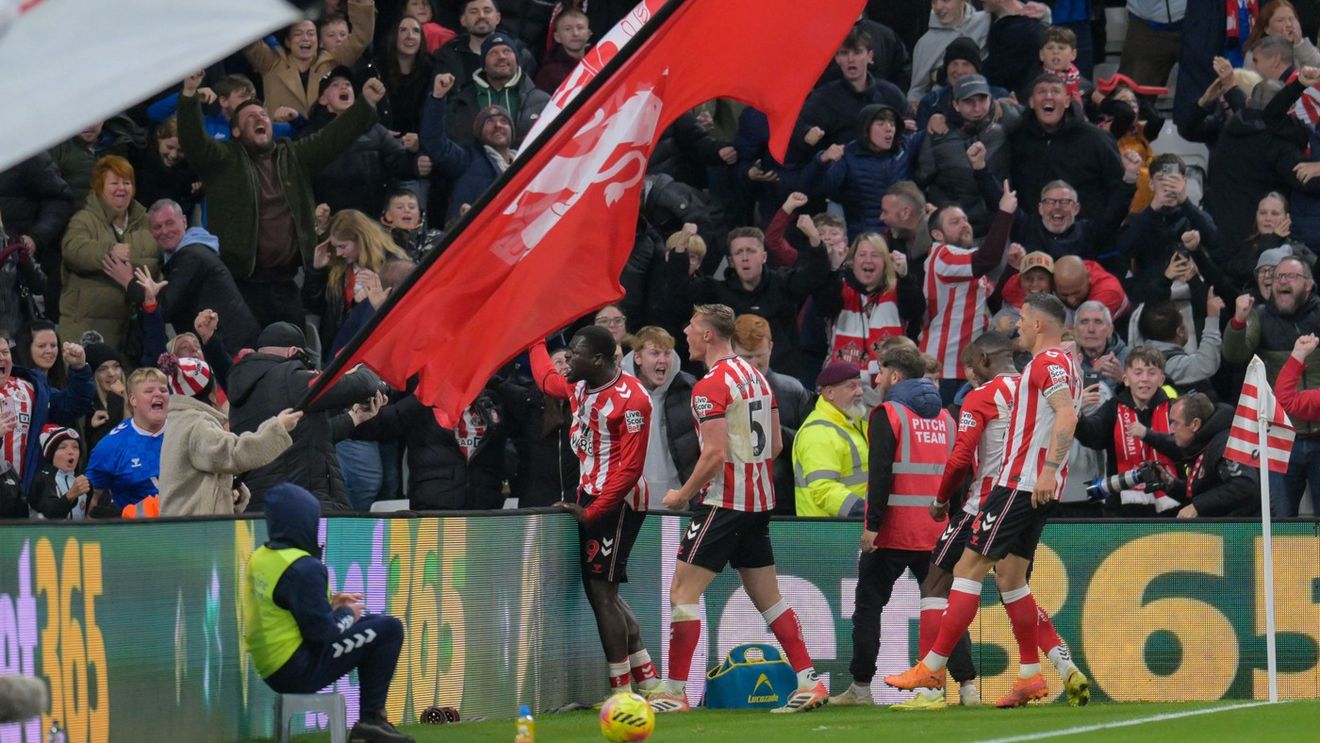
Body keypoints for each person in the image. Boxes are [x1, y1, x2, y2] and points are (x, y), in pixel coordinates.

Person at [886, 293, 1079, 708]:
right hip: (1038, 488)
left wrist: (1046, 469)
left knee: (966, 567)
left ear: (1040, 325)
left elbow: (1065, 414)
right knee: (1012, 581)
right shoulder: (1062, 365)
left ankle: (934, 668)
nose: (1018, 327)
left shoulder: (1044, 365)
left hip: (1016, 484)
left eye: (1023, 320)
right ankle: (1034, 672)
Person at [647, 304, 828, 715]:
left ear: (708, 335)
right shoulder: (758, 379)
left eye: (691, 327)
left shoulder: (710, 386)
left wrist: (682, 494)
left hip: (723, 503)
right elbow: (778, 447)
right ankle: (808, 680)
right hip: (759, 502)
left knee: (682, 593)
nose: (686, 333)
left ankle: (674, 692)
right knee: (769, 598)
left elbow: (713, 453)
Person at [177, 70, 387, 329]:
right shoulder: (223, 160)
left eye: (263, 115)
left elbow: (334, 137)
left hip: (287, 284)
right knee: (249, 355)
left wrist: (365, 102)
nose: (259, 118)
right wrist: (188, 95)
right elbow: (193, 142)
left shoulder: (293, 156)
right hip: (242, 285)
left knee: (296, 358)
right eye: (250, 117)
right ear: (235, 131)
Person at [527, 325, 661, 697]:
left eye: (576, 354)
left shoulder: (634, 400)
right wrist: (532, 338)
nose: (567, 359)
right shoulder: (581, 385)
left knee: (602, 593)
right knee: (605, 592)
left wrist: (594, 511)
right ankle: (648, 681)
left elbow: (630, 469)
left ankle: (621, 692)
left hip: (617, 500)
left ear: (599, 360)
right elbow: (549, 381)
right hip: (592, 495)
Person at [829, 347, 962, 707]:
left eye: (882, 372)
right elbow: (959, 472)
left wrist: (872, 526)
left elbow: (881, 473)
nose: (877, 379)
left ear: (896, 377)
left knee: (869, 608)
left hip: (892, 531)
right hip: (936, 532)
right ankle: (967, 689)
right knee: (945, 609)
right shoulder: (948, 418)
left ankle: (861, 689)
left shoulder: (888, 414)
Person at [244, 482, 412, 743]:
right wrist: (345, 613)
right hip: (297, 668)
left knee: (377, 622)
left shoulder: (262, 557)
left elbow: (285, 608)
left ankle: (372, 721)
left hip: (271, 666)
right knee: (389, 629)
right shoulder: (303, 567)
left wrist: (331, 606)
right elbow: (324, 634)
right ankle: (370, 720)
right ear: (303, 522)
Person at [227, 322, 384, 512]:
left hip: (259, 507)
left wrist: (354, 418)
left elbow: (301, 439)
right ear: (293, 351)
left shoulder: (241, 392)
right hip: (303, 503)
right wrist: (362, 366)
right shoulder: (289, 376)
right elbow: (362, 386)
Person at [1223, 256, 1320, 515]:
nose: (1282, 281)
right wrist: (1238, 322)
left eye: (1291, 276)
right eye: (1279, 277)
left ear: (1308, 285)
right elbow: (1234, 355)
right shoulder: (1261, 316)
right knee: (1280, 520)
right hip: (1280, 438)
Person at [157, 355, 301, 516]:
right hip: (197, 534)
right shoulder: (197, 425)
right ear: (211, 392)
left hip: (183, 530)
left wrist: (227, 491)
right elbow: (235, 453)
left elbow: (199, 479)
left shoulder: (178, 422)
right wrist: (278, 428)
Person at [113, 199, 262, 352]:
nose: (164, 231)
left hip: (235, 350)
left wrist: (129, 282)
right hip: (225, 346)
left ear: (184, 221)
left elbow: (165, 307)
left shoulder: (192, 255)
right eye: (157, 227)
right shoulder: (184, 255)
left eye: (170, 223)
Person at [920, 185, 1015, 401]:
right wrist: (1005, 213)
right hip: (942, 371)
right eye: (955, 222)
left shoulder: (966, 265)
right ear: (937, 234)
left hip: (968, 371)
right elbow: (987, 258)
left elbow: (992, 302)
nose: (965, 225)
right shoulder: (943, 255)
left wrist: (1011, 268)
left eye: (965, 220)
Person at [59, 155, 160, 350]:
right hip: (86, 325)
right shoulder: (84, 219)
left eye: (127, 182)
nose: (121, 188)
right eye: (114, 183)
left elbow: (156, 262)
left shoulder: (146, 221)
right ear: (99, 187)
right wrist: (109, 250)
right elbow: (72, 249)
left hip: (132, 327)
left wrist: (130, 273)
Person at [301, 66, 427, 218]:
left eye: (348, 84)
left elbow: (401, 165)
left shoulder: (375, 130)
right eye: (335, 85)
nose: (343, 86)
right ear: (323, 99)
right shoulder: (310, 135)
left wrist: (414, 157)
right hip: (330, 219)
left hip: (370, 219)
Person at [814, 232, 923, 402]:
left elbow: (915, 310)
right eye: (862, 255)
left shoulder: (899, 289)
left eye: (875, 255)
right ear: (852, 260)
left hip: (889, 387)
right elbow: (822, 307)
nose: (868, 260)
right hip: (841, 386)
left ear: (886, 262)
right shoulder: (839, 287)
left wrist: (906, 278)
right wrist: (833, 271)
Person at [1073, 346, 1181, 516]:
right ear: (1126, 379)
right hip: (1121, 509)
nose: (1144, 379)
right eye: (1138, 373)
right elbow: (1093, 437)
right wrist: (1077, 415)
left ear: (1161, 379)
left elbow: (1182, 448)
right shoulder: (1113, 408)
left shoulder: (1174, 408)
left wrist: (1147, 435)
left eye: (1151, 373)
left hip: (1169, 506)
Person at [1008, 74, 1127, 221]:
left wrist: (1101, 229)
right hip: (1031, 238)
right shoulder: (1017, 139)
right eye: (1041, 92)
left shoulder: (1096, 139)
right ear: (1031, 102)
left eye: (1055, 91)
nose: (1048, 96)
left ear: (1067, 101)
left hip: (1086, 238)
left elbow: (1119, 188)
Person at [730, 314, 815, 509]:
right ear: (732, 351)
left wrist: (774, 430)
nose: (753, 364)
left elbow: (811, 443)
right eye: (746, 357)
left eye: (759, 356)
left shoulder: (792, 390)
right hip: (734, 498)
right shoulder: (720, 389)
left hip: (783, 498)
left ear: (771, 347)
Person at [801, 104, 922, 239]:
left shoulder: (905, 146)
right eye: (881, 124)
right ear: (866, 129)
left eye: (892, 124)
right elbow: (813, 187)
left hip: (904, 236)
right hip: (866, 239)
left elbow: (931, 136)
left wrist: (935, 120)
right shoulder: (847, 156)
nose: (889, 129)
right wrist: (821, 160)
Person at [915, 74, 1016, 234]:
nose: (977, 108)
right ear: (955, 104)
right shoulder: (938, 133)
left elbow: (1035, 117)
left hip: (999, 227)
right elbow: (922, 178)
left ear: (991, 99)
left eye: (982, 100)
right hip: (955, 231)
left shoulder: (1006, 123)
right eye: (968, 101)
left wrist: (1006, 106)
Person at [242, 0, 376, 117]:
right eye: (298, 34)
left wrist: (361, 1)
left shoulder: (332, 61)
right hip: (284, 143)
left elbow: (361, 37)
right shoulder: (270, 63)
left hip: (327, 142)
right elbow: (248, 38)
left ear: (318, 41)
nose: (305, 38)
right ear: (288, 42)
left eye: (311, 34)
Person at [0, 330, 92, 495]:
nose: (2, 357)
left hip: (22, 495)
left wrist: (79, 369)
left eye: (5, 352)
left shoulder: (31, 388)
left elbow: (71, 406)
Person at [1139, 393, 1260, 517]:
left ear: (1195, 424)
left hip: (1244, 531)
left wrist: (1198, 506)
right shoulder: (1202, 443)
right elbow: (1202, 490)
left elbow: (1244, 485)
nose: (1171, 430)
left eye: (1175, 423)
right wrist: (1169, 484)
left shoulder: (1225, 443)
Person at [419, 73, 517, 219]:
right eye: (489, 122)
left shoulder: (528, 160)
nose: (498, 125)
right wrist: (437, 97)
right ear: (479, 132)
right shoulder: (466, 159)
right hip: (476, 235)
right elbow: (434, 141)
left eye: (504, 121)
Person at [621, 326, 698, 502]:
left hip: (677, 498)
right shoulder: (618, 393)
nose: (662, 360)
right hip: (630, 499)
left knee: (672, 531)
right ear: (638, 357)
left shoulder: (688, 389)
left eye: (667, 353)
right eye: (655, 353)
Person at [85, 366, 169, 514]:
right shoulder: (110, 447)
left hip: (190, 527)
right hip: (138, 533)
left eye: (163, 390)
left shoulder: (185, 431)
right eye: (149, 391)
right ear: (133, 400)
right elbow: (91, 501)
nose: (158, 394)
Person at [444, 31, 550, 147]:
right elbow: (445, 141)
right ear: (483, 64)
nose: (501, 57)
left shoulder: (543, 101)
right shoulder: (461, 101)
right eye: (493, 53)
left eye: (507, 51)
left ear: (517, 60)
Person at [793, 362, 868, 518]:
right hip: (829, 533)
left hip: (849, 527)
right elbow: (824, 489)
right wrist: (865, 511)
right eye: (851, 386)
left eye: (860, 385)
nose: (860, 392)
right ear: (830, 393)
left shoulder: (854, 422)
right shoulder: (818, 432)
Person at [909, 0, 991, 105]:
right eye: (933, 2)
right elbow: (917, 90)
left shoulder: (986, 20)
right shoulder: (924, 44)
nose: (938, 7)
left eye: (945, 0)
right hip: (943, 107)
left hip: (984, 100)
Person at [1135, 296, 1224, 393]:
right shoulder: (1167, 364)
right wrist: (1213, 318)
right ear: (1180, 331)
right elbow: (1206, 364)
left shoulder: (1147, 355)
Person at [26, 426, 91, 520]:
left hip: (77, 534)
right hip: (46, 534)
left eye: (75, 447)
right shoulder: (42, 479)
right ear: (51, 454)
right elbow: (50, 513)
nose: (71, 452)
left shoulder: (84, 481)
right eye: (63, 447)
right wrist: (71, 495)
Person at [535, 8, 591, 93]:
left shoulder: (601, 64)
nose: (575, 33)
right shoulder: (548, 74)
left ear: (588, 34)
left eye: (580, 28)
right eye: (568, 29)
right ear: (557, 37)